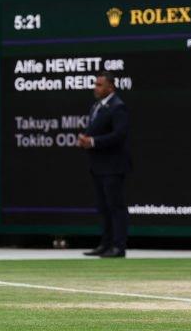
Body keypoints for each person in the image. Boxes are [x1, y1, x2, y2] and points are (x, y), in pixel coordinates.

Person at [78, 72, 131, 259]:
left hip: (113, 166)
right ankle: (105, 244)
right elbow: (95, 130)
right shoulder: (96, 106)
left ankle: (119, 246)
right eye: (95, 84)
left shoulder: (118, 107)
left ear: (111, 87)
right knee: (103, 207)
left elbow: (119, 136)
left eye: (100, 85)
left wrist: (92, 142)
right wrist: (86, 139)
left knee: (115, 206)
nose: (96, 87)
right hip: (98, 165)